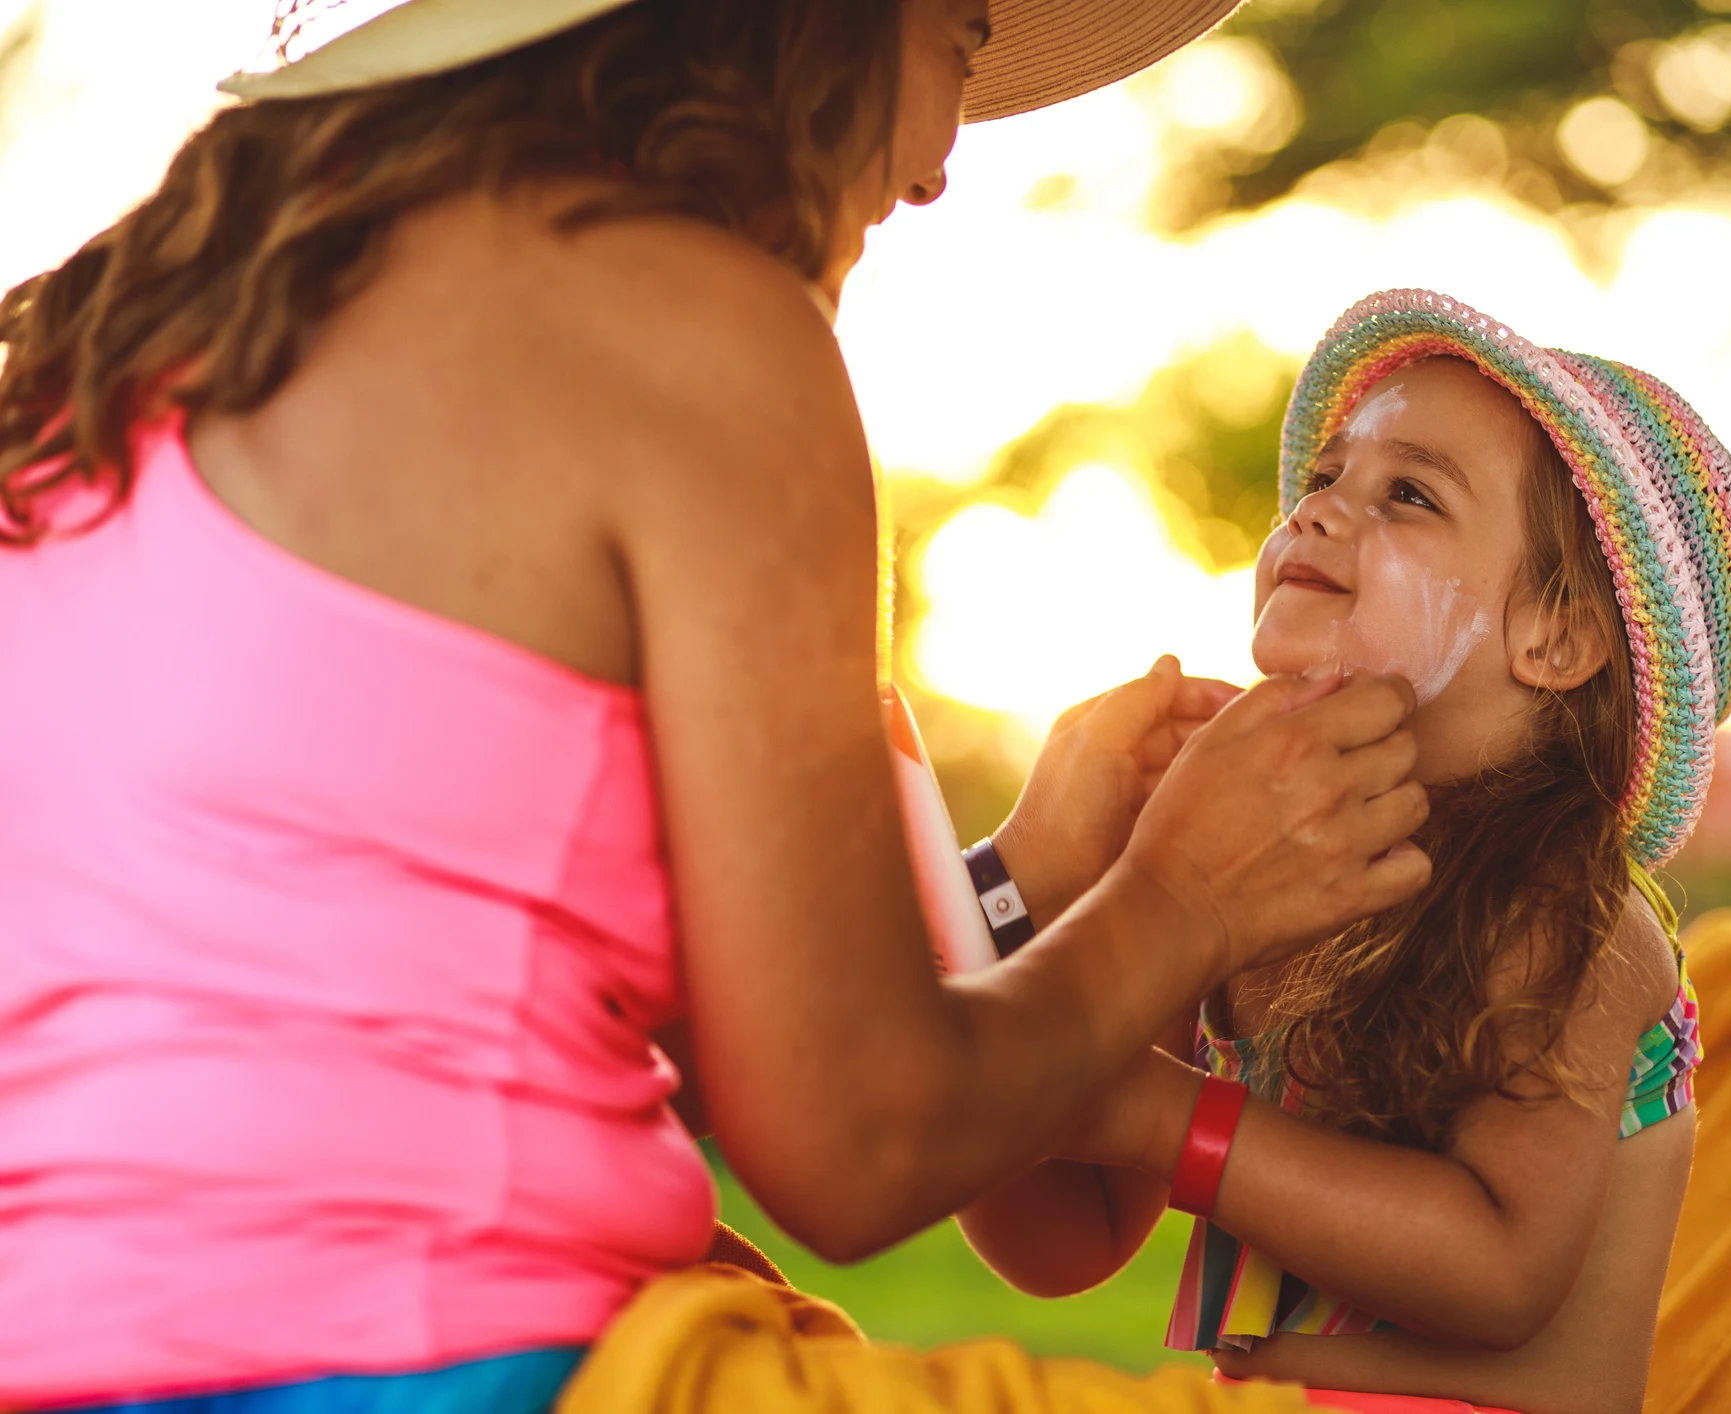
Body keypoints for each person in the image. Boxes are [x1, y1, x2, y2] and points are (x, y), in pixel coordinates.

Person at [0, 3, 1439, 1410]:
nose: (937, 164)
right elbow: (859, 1138)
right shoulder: (696, 328)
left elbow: (424, 1020)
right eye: (964, 44)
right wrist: (1185, 892)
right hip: (428, 1355)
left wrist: (1019, 882)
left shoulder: (142, 329)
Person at [959, 289, 1731, 1414]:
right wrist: (1011, 958)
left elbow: (1502, 1271)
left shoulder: (1562, 912)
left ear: (1557, 636)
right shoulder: (1247, 866)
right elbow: (1069, 1237)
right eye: (1322, 481)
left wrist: (1159, 1114)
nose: (1318, 513)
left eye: (1407, 493)